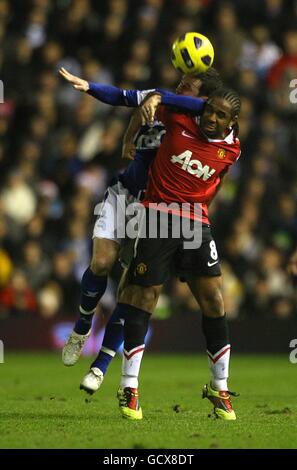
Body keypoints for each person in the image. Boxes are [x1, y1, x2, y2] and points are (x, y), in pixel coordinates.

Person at [59, 68, 223, 382]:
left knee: (132, 290)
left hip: (154, 211)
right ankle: (82, 327)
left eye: (187, 86)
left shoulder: (201, 127)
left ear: (202, 97)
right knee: (101, 261)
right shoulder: (161, 101)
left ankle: (100, 367)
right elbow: (124, 98)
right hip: (124, 194)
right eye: (179, 82)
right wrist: (90, 87)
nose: (178, 87)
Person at [114, 86, 241, 421]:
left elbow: (218, 182)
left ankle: (220, 387)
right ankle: (129, 387)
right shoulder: (179, 119)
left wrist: (204, 214)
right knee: (146, 297)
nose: (211, 118)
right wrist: (136, 128)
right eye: (209, 110)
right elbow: (144, 99)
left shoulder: (233, 150)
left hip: (196, 223)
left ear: (232, 122)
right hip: (157, 215)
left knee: (214, 300)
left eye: (220, 115)